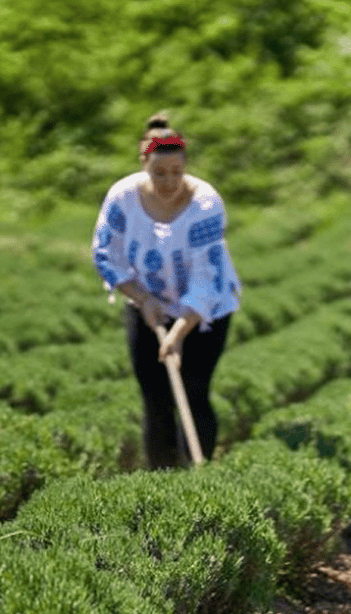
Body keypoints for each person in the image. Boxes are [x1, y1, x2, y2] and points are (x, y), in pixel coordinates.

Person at [91, 112, 240, 469]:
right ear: (144, 165)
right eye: (159, 173)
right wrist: (142, 299)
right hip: (146, 302)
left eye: (177, 172)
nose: (169, 181)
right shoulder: (123, 197)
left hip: (206, 311)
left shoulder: (205, 203)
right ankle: (162, 477)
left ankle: (197, 473)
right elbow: (105, 254)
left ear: (185, 166)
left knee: (192, 390)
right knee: (155, 397)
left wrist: (177, 333)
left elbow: (206, 277)